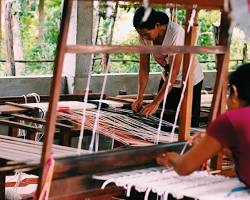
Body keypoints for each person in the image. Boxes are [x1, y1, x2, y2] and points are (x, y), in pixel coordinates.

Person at [156, 63, 250, 187]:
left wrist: (171, 157)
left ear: (235, 92)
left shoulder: (230, 119)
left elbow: (185, 167)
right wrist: (219, 145)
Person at [131, 7, 204, 127]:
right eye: (141, 35)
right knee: (163, 123)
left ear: (157, 25)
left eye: (146, 34)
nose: (144, 38)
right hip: (168, 79)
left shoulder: (175, 32)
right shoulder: (144, 36)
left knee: (186, 124)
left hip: (190, 81)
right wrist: (139, 97)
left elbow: (174, 72)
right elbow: (144, 68)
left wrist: (156, 102)